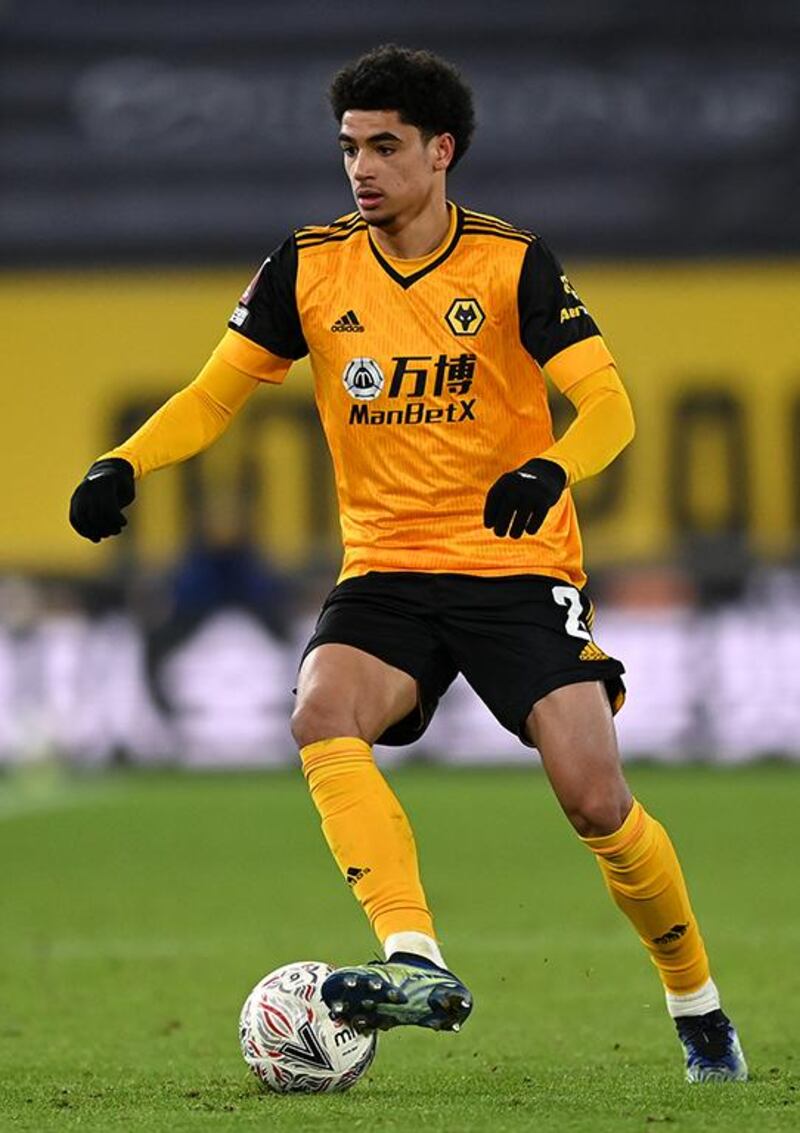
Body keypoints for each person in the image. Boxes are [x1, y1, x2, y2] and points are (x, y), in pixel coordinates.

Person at [69, 44, 747, 1082]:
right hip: (386, 567)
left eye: (383, 146)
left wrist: (548, 469)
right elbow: (216, 391)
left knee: (594, 800)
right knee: (320, 709)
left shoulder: (510, 263)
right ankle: (412, 957)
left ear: (440, 152)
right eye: (348, 147)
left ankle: (696, 1006)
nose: (361, 168)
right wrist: (126, 461)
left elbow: (608, 403)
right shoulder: (308, 262)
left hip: (513, 568)